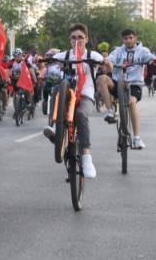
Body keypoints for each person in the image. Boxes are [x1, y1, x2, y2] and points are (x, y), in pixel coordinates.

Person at [41, 23, 107, 179]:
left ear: (86, 39)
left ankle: (86, 156)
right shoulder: (65, 55)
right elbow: (49, 60)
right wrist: (44, 61)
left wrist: (106, 64)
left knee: (81, 115)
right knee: (56, 89)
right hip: (67, 95)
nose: (77, 40)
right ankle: (56, 130)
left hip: (85, 94)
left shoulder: (93, 55)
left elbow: (104, 62)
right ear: (69, 40)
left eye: (80, 37)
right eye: (73, 37)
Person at [106, 29, 156, 149]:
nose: (128, 40)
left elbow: (150, 57)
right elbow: (111, 58)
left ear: (135, 38)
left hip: (134, 84)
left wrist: (152, 61)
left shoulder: (143, 51)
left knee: (132, 102)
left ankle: (136, 138)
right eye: (125, 38)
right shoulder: (118, 51)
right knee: (103, 79)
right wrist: (108, 62)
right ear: (122, 40)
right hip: (118, 82)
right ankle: (110, 111)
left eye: (130, 37)